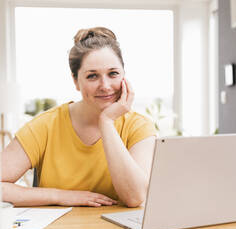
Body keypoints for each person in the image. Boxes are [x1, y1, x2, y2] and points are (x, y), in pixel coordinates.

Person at [0, 27, 157, 208]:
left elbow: (134, 197)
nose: (105, 86)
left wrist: (106, 122)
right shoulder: (45, 125)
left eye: (113, 73)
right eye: (92, 76)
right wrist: (59, 196)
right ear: (76, 81)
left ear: (123, 76)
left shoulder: (139, 127)